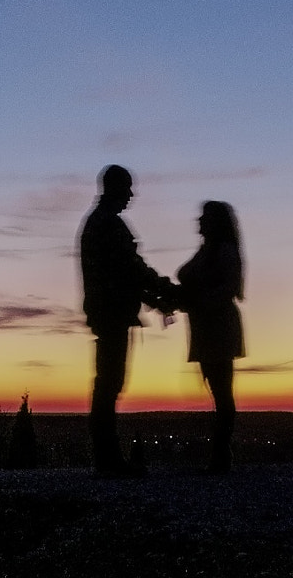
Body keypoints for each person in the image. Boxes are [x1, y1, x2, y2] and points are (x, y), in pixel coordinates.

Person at [78, 165, 176, 476]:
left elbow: (127, 272)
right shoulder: (108, 225)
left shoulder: (101, 223)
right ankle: (107, 460)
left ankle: (107, 458)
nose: (131, 195)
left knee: (109, 383)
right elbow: (131, 270)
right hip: (112, 313)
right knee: (109, 384)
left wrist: (156, 298)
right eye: (127, 188)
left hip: (110, 311)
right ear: (113, 188)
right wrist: (164, 293)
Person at [175, 201, 245, 474]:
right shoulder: (208, 251)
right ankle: (220, 453)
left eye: (204, 217)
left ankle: (221, 455)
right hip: (206, 326)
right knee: (217, 388)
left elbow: (226, 289)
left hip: (218, 326)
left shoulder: (224, 251)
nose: (199, 221)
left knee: (222, 390)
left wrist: (195, 301)